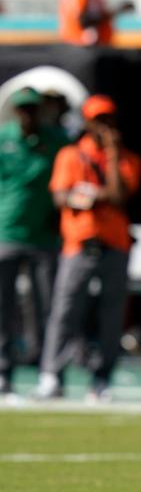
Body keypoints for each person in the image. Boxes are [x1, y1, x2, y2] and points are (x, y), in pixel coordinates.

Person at [35, 95, 141, 402]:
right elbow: (61, 197)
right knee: (65, 311)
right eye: (98, 120)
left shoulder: (126, 158)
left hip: (115, 244)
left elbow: (119, 196)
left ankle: (102, 378)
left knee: (111, 314)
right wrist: (89, 197)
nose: (103, 126)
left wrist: (111, 154)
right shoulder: (71, 155)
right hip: (79, 243)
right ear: (87, 122)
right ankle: (52, 374)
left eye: (108, 119)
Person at [0, 88, 69, 398]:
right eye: (23, 109)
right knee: (4, 308)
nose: (28, 115)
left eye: (32, 109)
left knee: (48, 308)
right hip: (7, 232)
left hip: (45, 236)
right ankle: (3, 371)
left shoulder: (56, 141)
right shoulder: (4, 140)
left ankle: (49, 371)